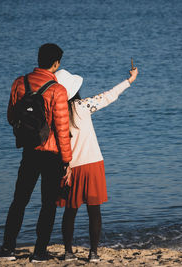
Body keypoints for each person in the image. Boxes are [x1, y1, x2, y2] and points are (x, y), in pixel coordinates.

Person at [0, 43, 72, 262]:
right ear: (56, 64)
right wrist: (67, 160)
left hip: (29, 151)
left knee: (19, 200)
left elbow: (11, 117)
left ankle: (8, 248)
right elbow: (62, 129)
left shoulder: (20, 83)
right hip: (52, 154)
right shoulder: (57, 90)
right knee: (48, 204)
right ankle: (39, 252)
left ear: (39, 59)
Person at [55, 65, 139, 262]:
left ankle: (68, 252)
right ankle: (93, 253)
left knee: (70, 211)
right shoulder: (83, 106)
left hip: (70, 167)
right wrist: (130, 80)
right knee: (94, 211)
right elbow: (109, 96)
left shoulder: (54, 113)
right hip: (92, 164)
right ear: (75, 90)